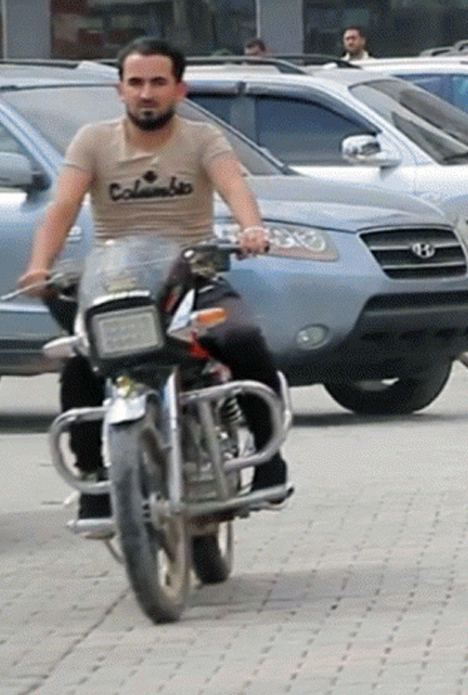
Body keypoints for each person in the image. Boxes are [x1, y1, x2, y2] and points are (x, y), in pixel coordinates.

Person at [17, 37, 288, 522]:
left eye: (158, 82)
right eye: (135, 82)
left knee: (243, 338)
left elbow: (233, 185)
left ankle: (269, 461)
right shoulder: (93, 141)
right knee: (81, 362)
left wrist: (252, 228)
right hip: (118, 279)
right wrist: (40, 266)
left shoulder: (203, 139)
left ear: (179, 89)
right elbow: (62, 206)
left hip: (194, 276)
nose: (146, 93)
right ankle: (97, 482)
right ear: (119, 90)